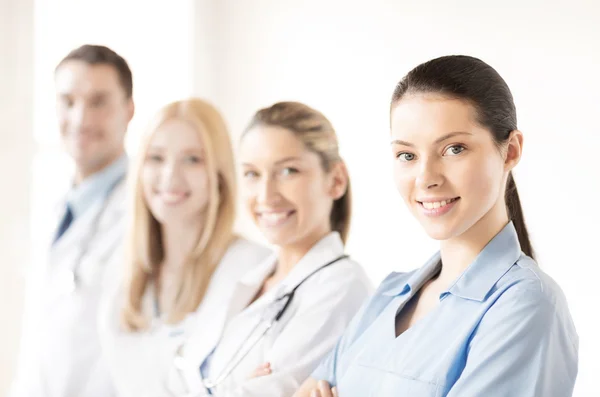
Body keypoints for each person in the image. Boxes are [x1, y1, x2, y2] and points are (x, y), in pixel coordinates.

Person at [295, 55, 579, 397]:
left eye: (453, 149)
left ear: (510, 151)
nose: (426, 178)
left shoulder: (526, 305)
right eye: (407, 155)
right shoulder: (389, 294)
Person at [164, 101, 373, 396]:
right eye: (252, 174)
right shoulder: (250, 276)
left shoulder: (342, 288)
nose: (266, 195)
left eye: (288, 171)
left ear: (336, 180)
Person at [98, 98, 271, 397]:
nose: (170, 176)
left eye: (192, 159)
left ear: (219, 175)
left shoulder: (254, 270)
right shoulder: (122, 279)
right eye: (156, 158)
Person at [10, 44, 135, 397]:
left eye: (98, 102)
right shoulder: (54, 207)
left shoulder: (146, 213)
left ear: (128, 110)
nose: (80, 119)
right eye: (68, 101)